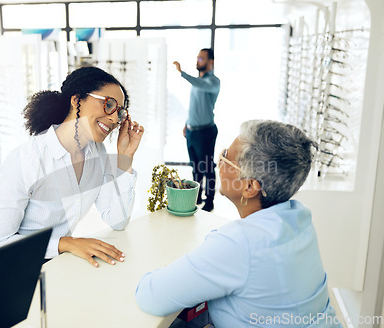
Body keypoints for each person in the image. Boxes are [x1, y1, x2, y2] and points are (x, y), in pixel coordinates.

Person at [136, 120, 342, 328]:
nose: (219, 162)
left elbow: (150, 296)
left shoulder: (241, 245)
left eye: (226, 156)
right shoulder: (300, 217)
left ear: (250, 187)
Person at [0, 66, 144, 268]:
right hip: (19, 268)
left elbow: (118, 220)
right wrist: (65, 243)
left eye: (120, 113)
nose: (114, 119)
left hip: (59, 267)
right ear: (77, 100)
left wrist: (125, 158)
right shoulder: (26, 159)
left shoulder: (98, 153)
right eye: (108, 104)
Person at [173, 48, 220, 212]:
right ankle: (197, 196)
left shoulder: (213, 82)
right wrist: (187, 124)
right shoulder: (198, 81)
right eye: (197, 58)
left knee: (207, 167)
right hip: (192, 131)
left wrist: (182, 72)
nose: (198, 61)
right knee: (196, 167)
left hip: (205, 132)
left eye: (201, 58)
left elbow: (199, 84)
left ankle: (210, 200)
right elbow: (195, 106)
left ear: (210, 62)